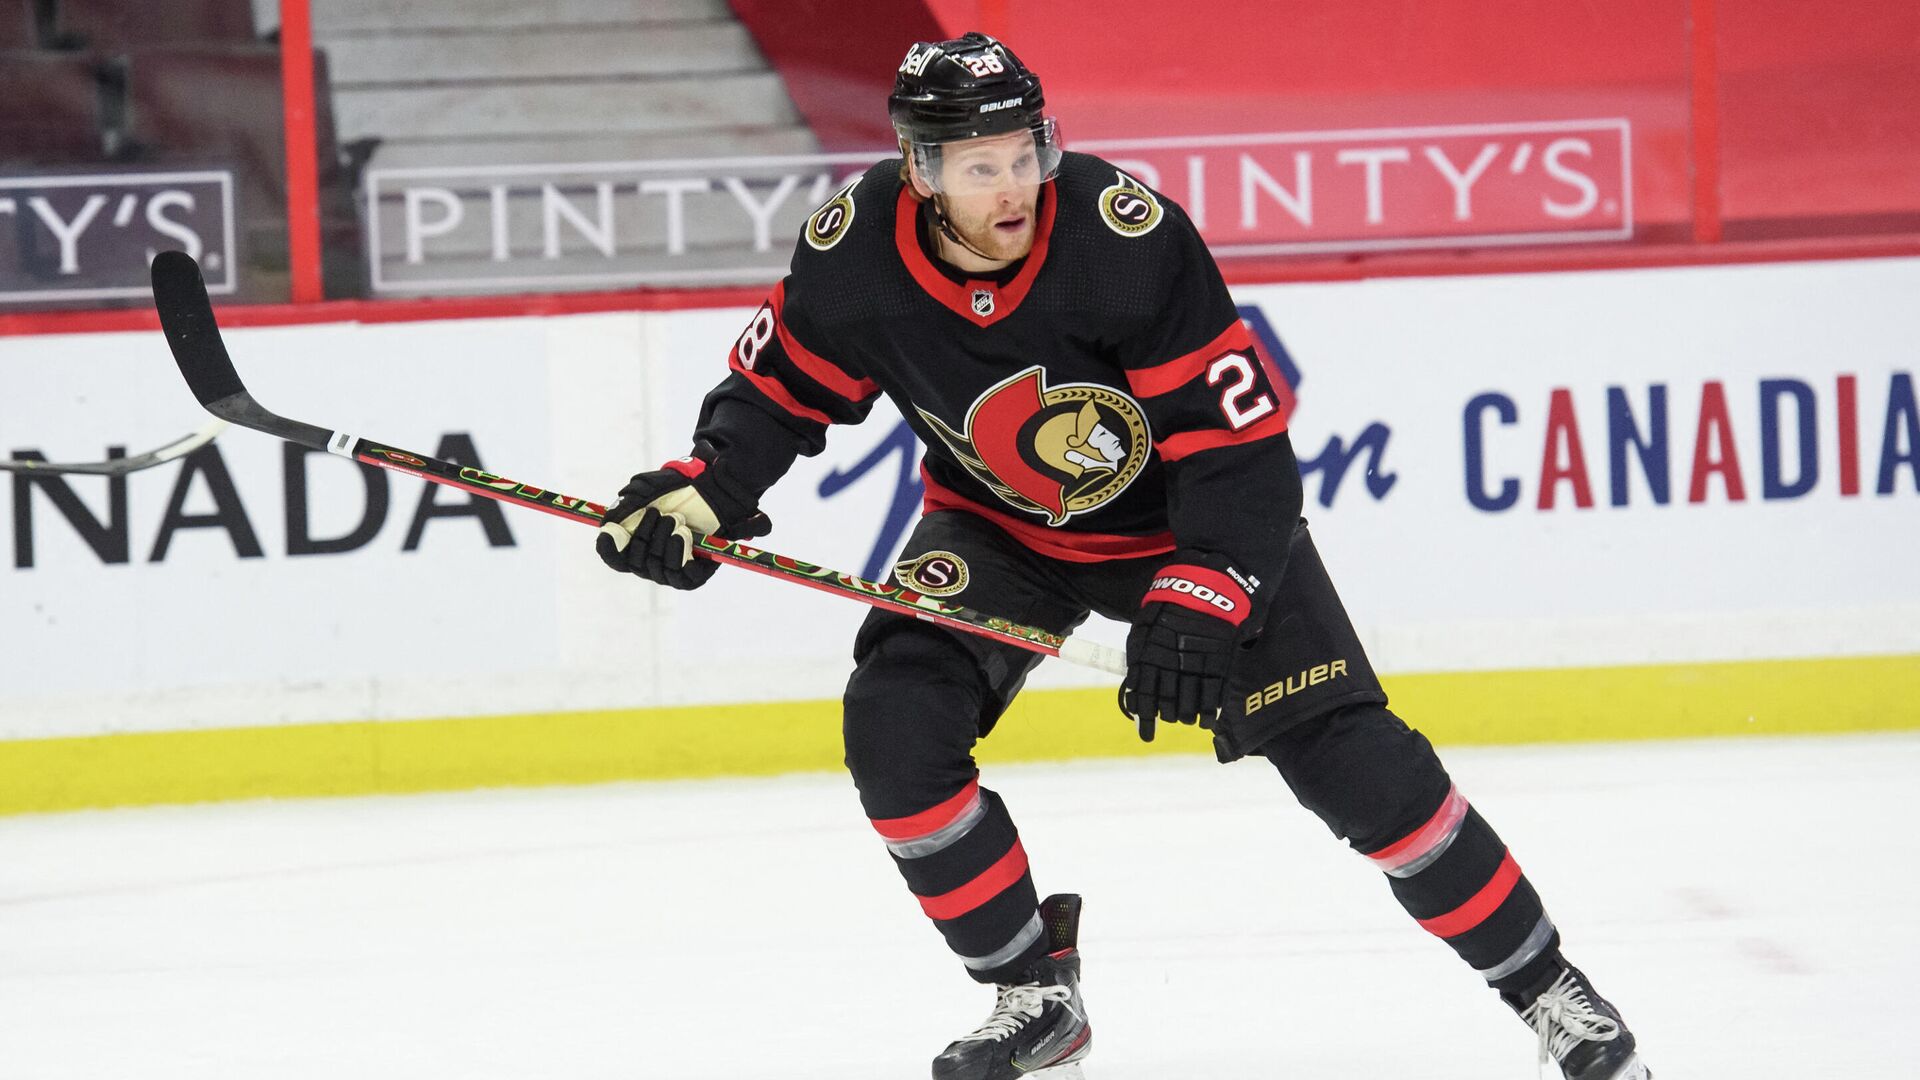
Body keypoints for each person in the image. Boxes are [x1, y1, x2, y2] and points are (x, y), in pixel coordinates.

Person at [595, 31, 1651, 1080]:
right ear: (921, 172)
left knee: (1357, 768)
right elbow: (782, 389)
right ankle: (1034, 994)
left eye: (1024, 154)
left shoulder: (1123, 239)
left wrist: (1204, 592)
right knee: (895, 730)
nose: (1012, 188)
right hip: (1001, 532)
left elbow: (1241, 452)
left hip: (1188, 530)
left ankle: (1549, 991)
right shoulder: (853, 253)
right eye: (979, 166)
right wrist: (703, 492)